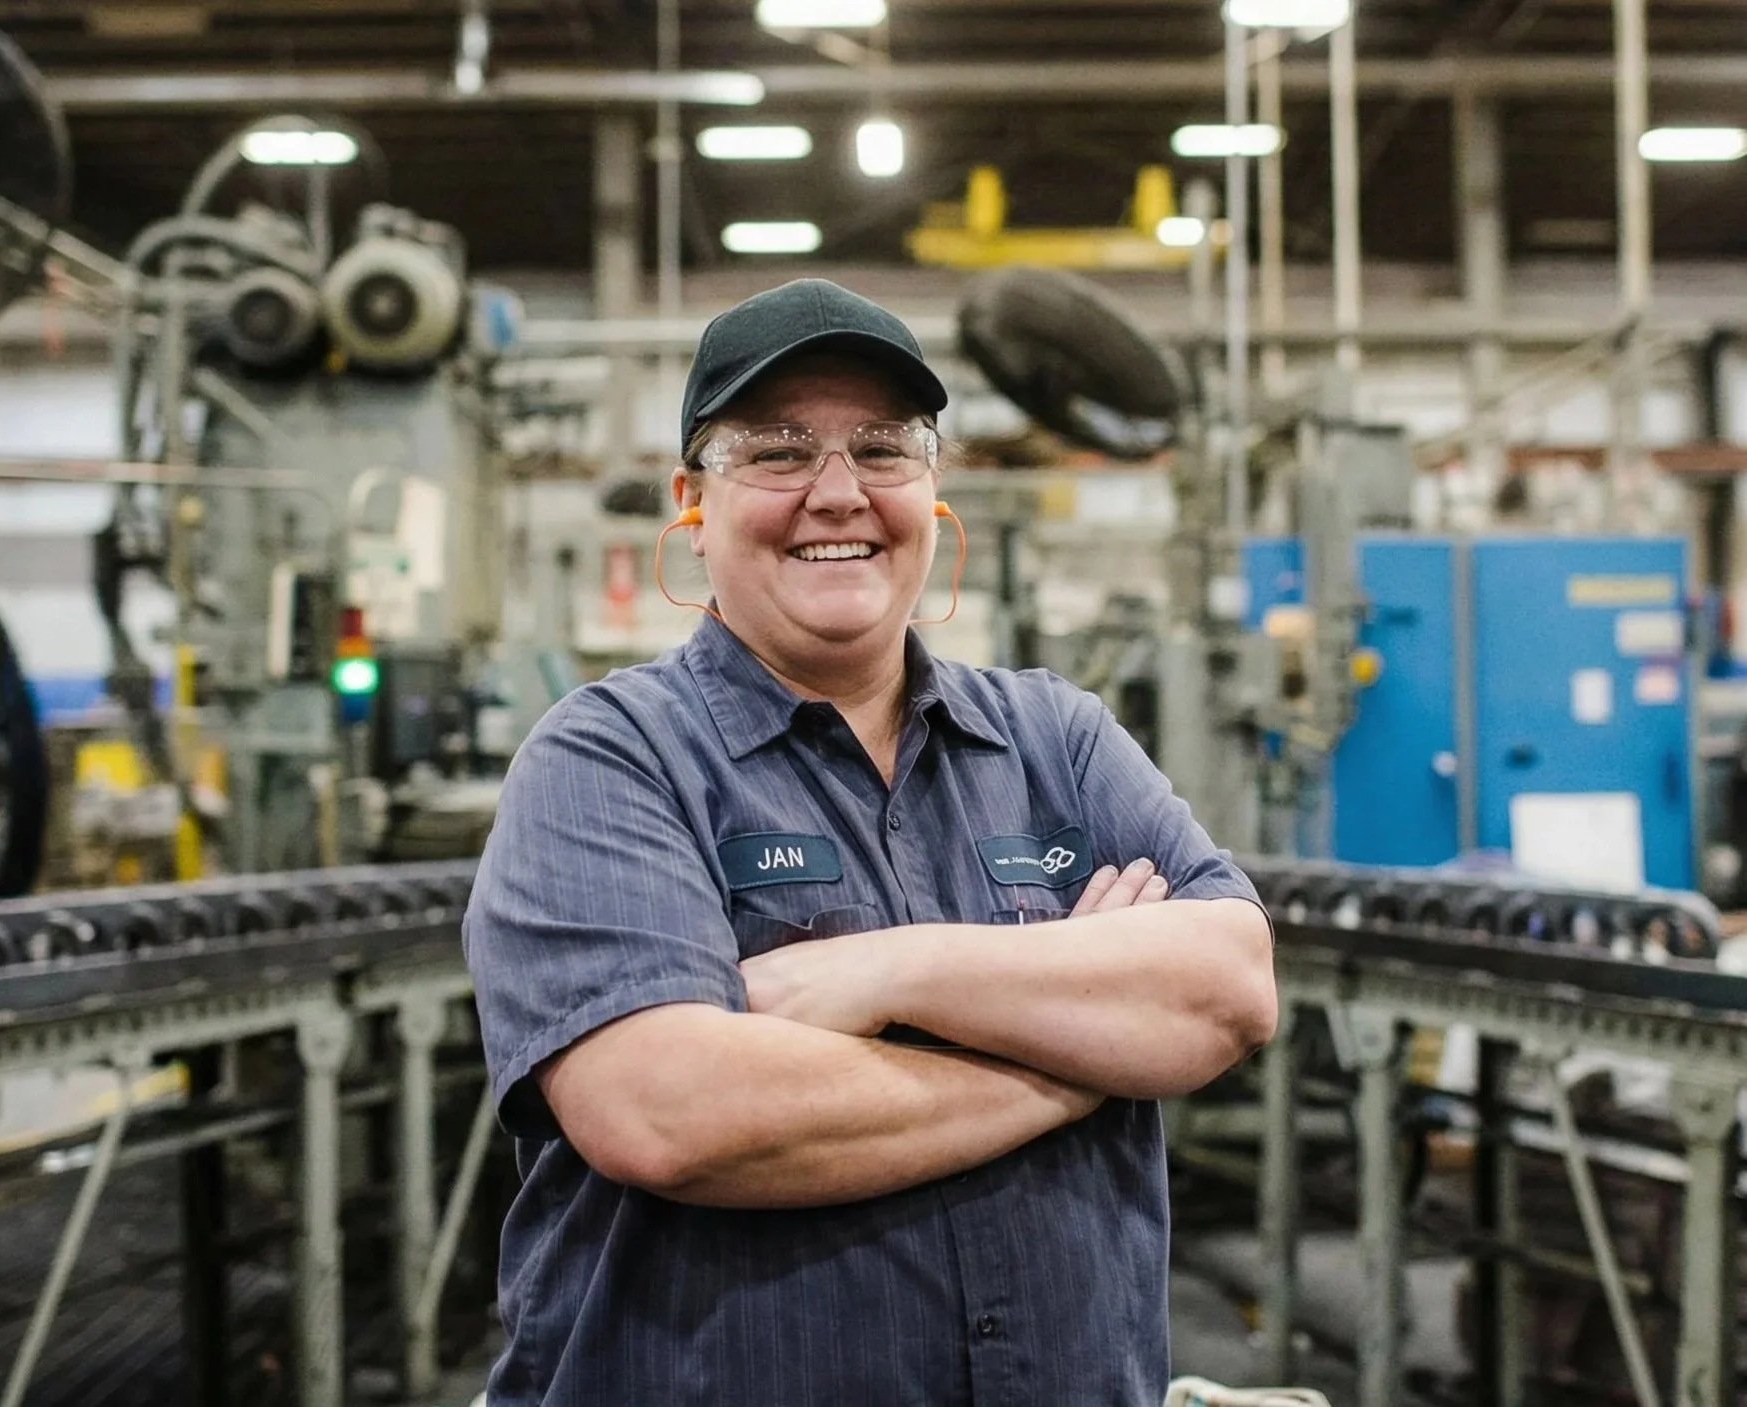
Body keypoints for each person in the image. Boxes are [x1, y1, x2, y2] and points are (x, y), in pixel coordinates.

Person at [463, 277, 1278, 1406]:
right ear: (692, 501)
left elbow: (1229, 989)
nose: (837, 493)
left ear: (931, 487)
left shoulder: (1058, 737)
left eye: (883, 449)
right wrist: (1083, 1060)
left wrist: (887, 971)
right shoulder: (609, 759)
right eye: (779, 451)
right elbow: (672, 1115)